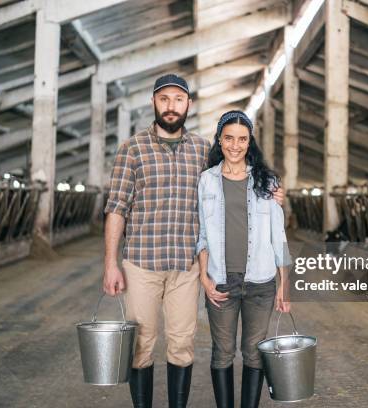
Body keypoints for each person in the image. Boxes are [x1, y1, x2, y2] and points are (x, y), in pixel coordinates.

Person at [103, 76, 284, 408]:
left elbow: (237, 175)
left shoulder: (203, 151)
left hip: (186, 266)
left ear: (188, 105)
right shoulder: (131, 149)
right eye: (164, 99)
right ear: (153, 102)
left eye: (178, 99)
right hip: (141, 263)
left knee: (182, 344)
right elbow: (116, 207)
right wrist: (111, 263)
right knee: (142, 344)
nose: (171, 106)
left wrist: (270, 190)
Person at [196, 110, 291, 408]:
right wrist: (203, 276)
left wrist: (284, 284)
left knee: (253, 352)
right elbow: (201, 235)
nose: (235, 145)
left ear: (250, 142)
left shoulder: (267, 183)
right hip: (221, 281)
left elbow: (280, 239)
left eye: (242, 139)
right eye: (229, 138)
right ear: (219, 141)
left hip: (261, 282)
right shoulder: (206, 181)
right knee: (222, 352)